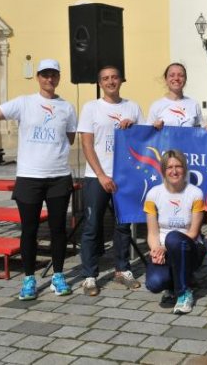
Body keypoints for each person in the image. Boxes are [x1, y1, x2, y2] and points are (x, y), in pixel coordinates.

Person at [0, 59, 77, 300]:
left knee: (58, 230)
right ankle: (29, 278)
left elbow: (69, 138)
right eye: (45, 75)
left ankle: (58, 276)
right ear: (38, 77)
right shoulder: (24, 103)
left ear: (58, 78)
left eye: (54, 75)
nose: (49, 79)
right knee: (29, 230)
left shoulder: (67, 107)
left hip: (59, 176)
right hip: (30, 178)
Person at [77, 66, 143, 297]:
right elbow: (86, 145)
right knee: (92, 226)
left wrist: (133, 126)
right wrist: (102, 175)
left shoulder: (132, 107)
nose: (111, 81)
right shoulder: (91, 108)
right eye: (105, 78)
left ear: (121, 80)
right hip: (97, 177)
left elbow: (141, 141)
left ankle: (122, 269)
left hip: (124, 177)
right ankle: (89, 276)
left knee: (123, 226)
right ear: (100, 83)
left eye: (114, 77)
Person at [143, 150, 206, 314]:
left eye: (178, 166)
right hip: (164, 248)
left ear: (184, 169)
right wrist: (156, 249)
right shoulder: (153, 194)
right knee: (154, 283)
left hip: (190, 248)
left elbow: (193, 233)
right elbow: (152, 232)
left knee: (173, 238)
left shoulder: (195, 193)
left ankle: (184, 293)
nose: (174, 171)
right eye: (169, 167)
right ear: (163, 170)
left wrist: (166, 247)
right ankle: (172, 285)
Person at [147, 63, 204, 128]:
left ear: (185, 79)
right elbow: (148, 134)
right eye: (172, 75)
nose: (176, 78)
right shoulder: (156, 106)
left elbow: (200, 132)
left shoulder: (194, 104)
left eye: (181, 75)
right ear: (166, 79)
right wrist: (154, 128)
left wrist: (206, 128)